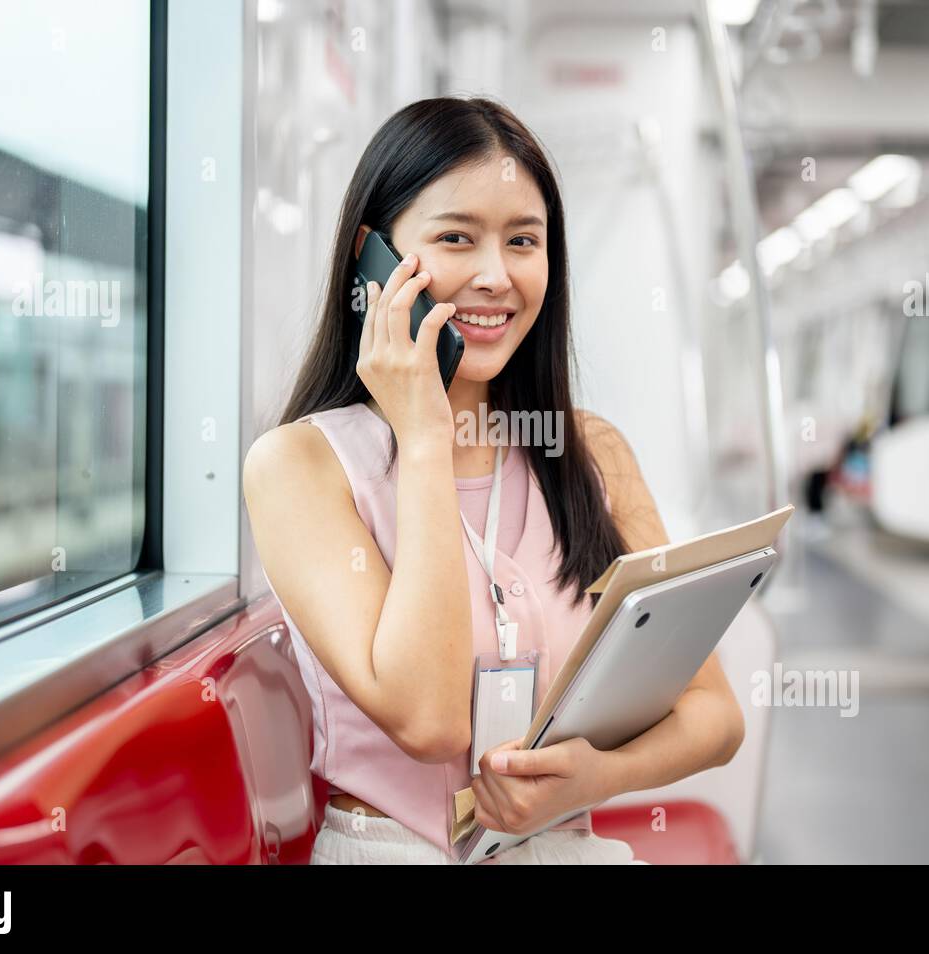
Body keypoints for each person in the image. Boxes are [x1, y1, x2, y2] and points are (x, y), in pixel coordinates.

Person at [243, 96, 745, 864]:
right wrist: (421, 435)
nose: (494, 276)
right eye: (455, 238)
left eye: (523, 241)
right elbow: (431, 718)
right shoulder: (299, 466)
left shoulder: (591, 454)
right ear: (371, 257)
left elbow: (716, 714)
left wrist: (597, 776)